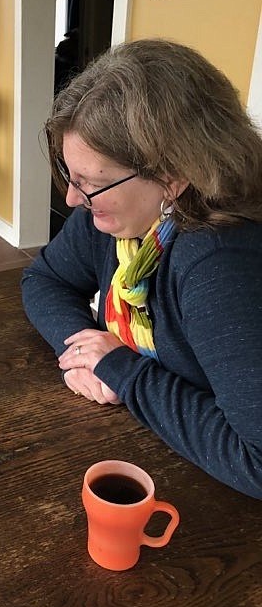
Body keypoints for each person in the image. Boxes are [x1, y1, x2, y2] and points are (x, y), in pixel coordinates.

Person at [21, 39, 262, 499]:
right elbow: (45, 279)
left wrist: (123, 371)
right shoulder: (118, 218)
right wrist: (83, 353)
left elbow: (257, 460)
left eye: (90, 183)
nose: (72, 198)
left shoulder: (220, 265)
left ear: (173, 176)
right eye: (70, 176)